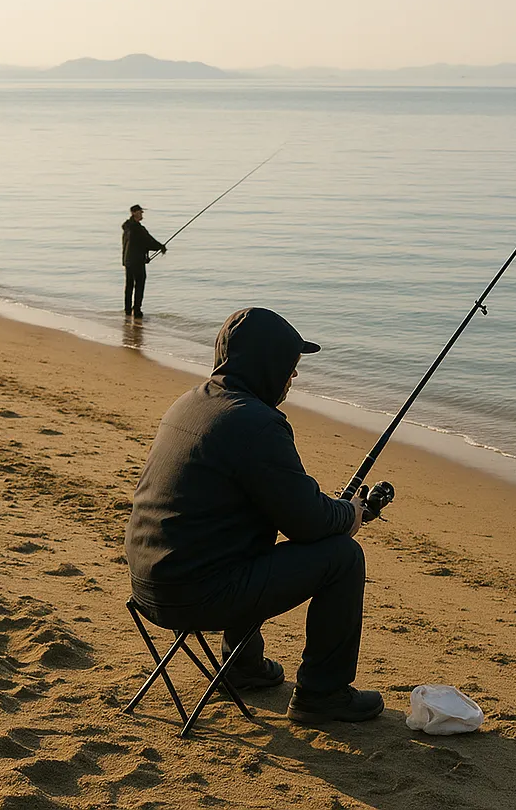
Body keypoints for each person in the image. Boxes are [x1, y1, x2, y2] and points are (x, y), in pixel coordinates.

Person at [124, 307, 383, 723]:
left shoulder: (189, 403)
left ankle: (242, 667)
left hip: (149, 587)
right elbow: (308, 522)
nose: (294, 377)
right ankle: (323, 693)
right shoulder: (256, 424)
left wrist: (330, 511)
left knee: (240, 534)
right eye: (291, 366)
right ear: (268, 365)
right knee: (343, 556)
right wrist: (350, 515)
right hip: (193, 597)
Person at [121, 204, 166, 318]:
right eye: (140, 212)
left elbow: (141, 242)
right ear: (134, 213)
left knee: (129, 285)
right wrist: (161, 247)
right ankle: (137, 310)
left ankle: (127, 310)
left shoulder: (127, 227)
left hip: (128, 260)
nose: (142, 214)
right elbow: (148, 241)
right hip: (137, 261)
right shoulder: (138, 229)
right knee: (139, 285)